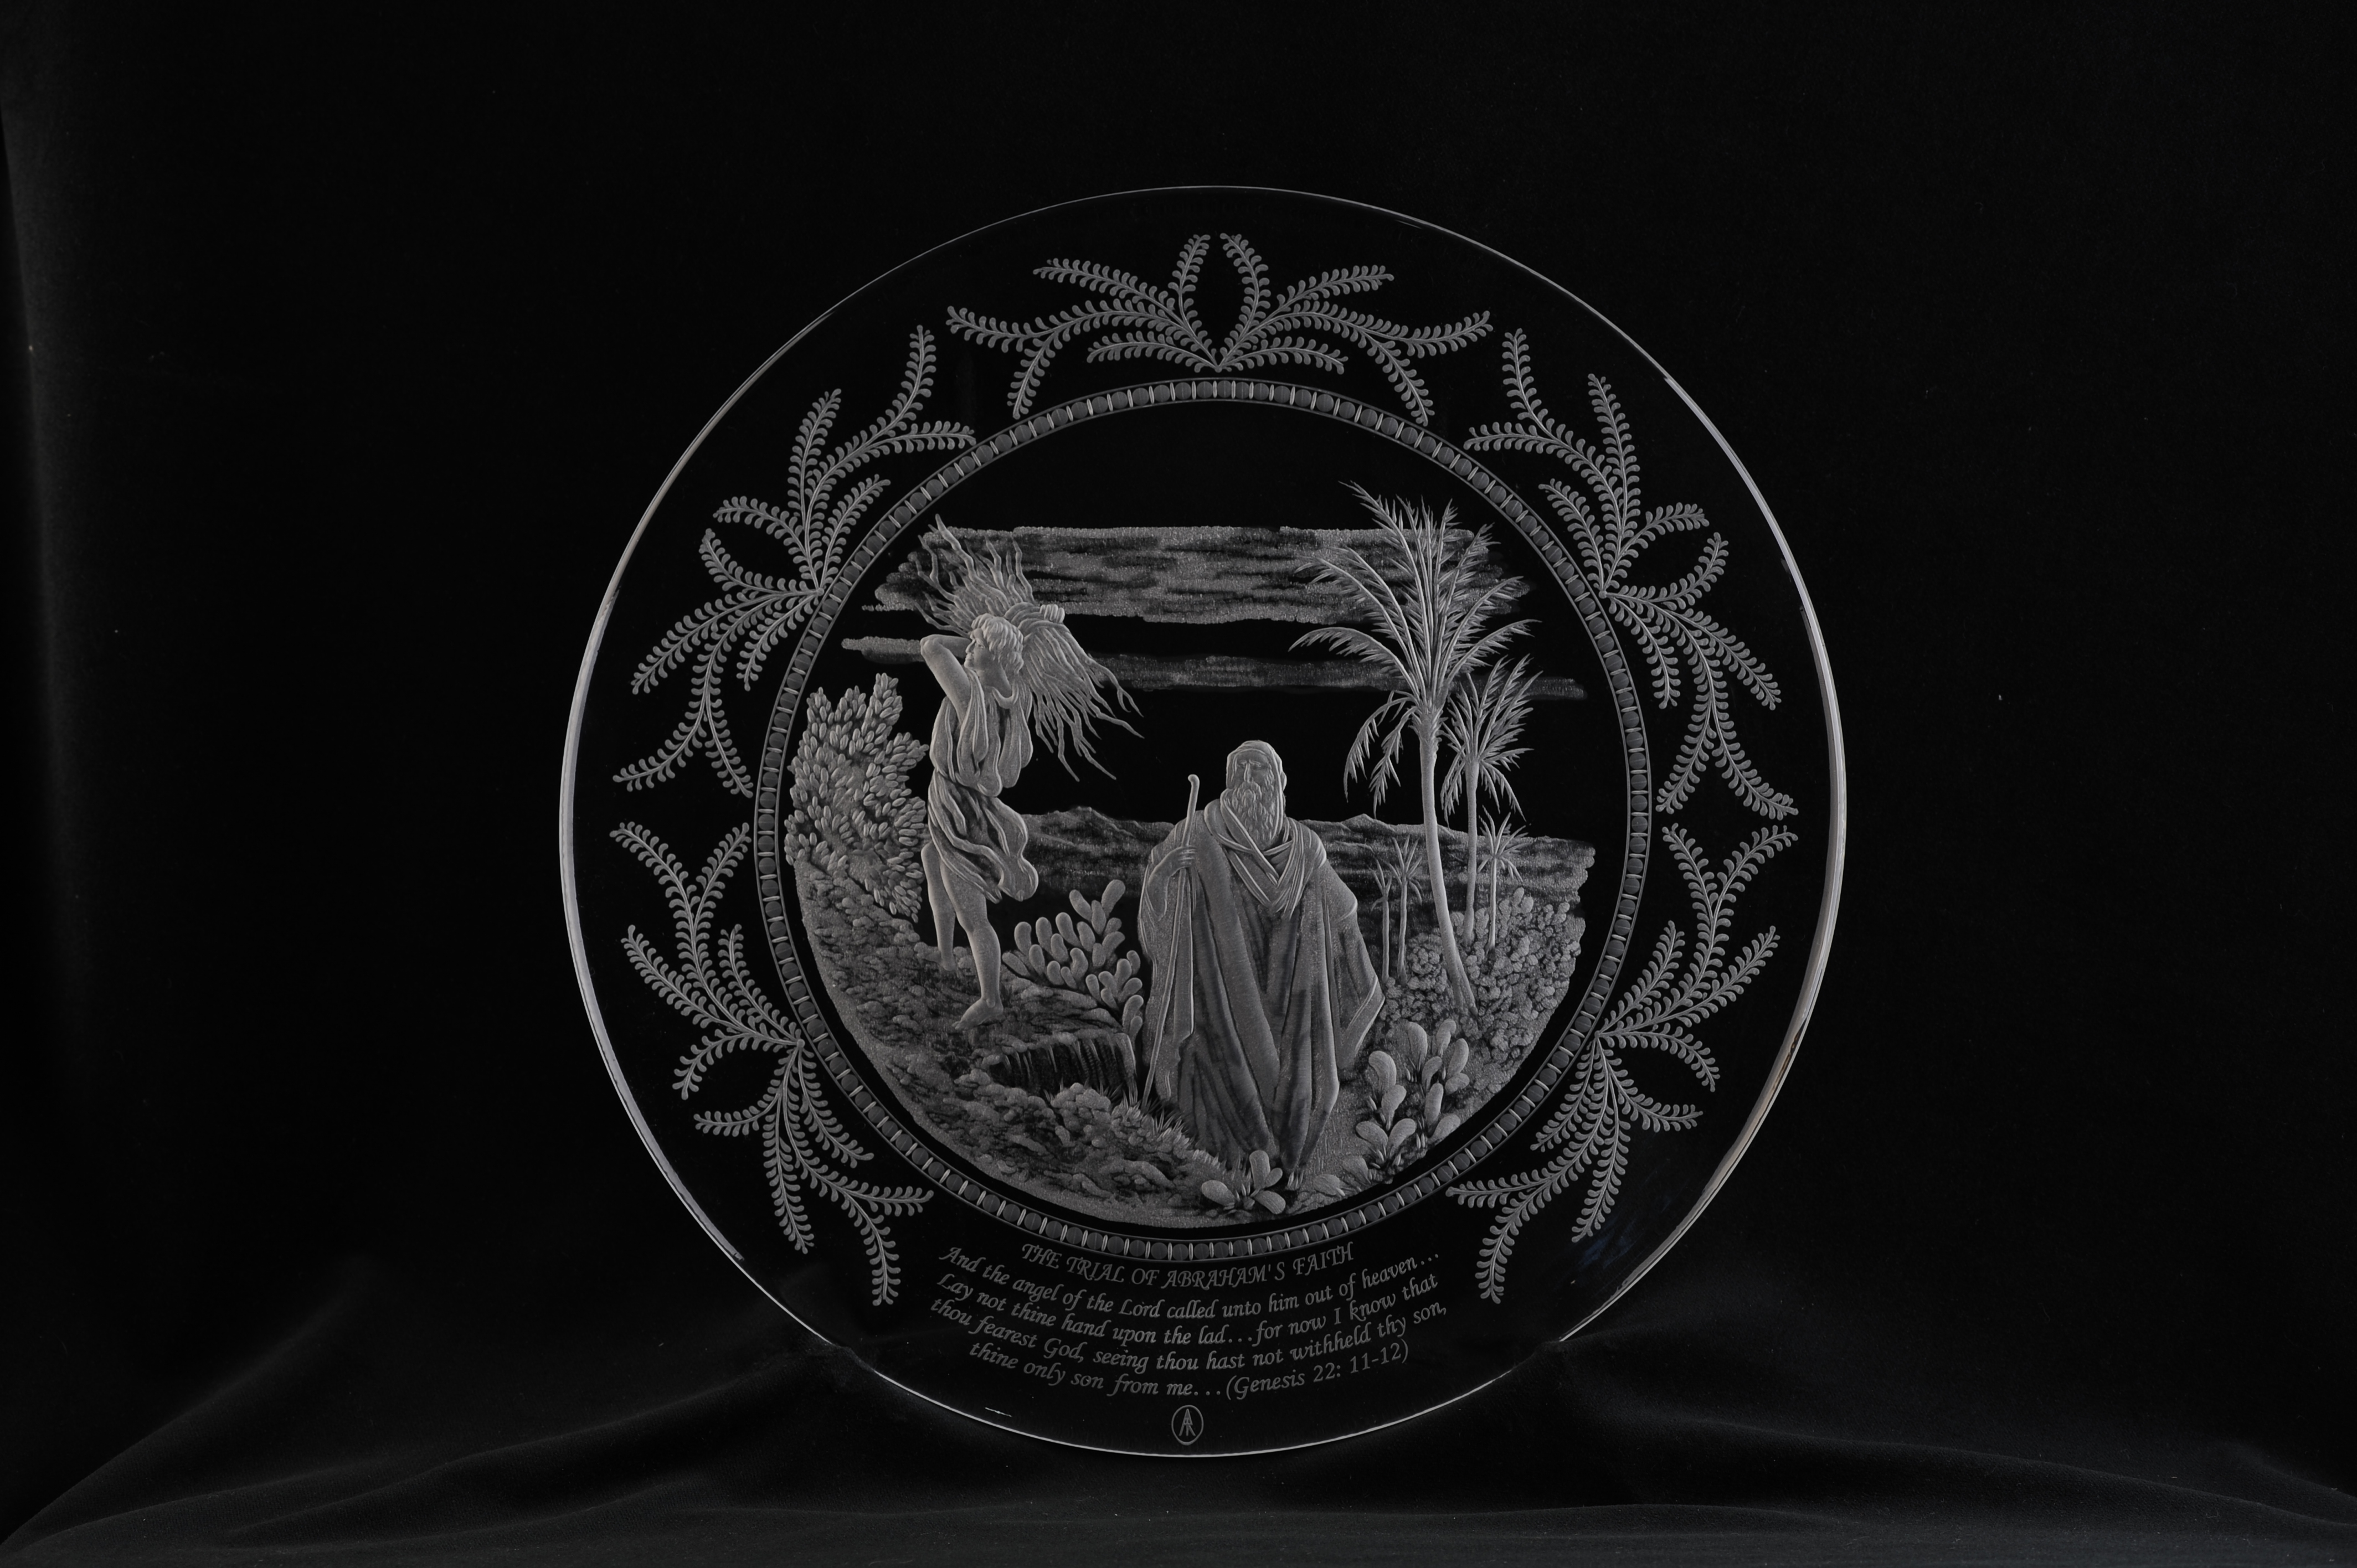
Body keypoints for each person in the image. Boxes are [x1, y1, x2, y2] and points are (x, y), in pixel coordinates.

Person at [1139, 741, 1383, 1178]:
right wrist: (1162, 877)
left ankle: (1285, 1173)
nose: (1249, 780)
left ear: (1280, 781)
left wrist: (1353, 956)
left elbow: (1344, 906)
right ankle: (1227, 1175)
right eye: (1240, 771)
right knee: (1213, 1089)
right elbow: (1157, 914)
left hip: (1294, 1007)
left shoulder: (1305, 849)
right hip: (1217, 1015)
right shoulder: (1196, 835)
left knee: (1308, 1091)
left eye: (1259, 769)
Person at [919, 617, 1038, 1030]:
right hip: (960, 803)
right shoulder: (1014, 698)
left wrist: (993, 641)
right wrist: (996, 645)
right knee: (932, 858)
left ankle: (991, 1000)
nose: (968, 649)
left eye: (977, 644)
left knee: (972, 913)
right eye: (969, 642)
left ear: (996, 656)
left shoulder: (971, 692)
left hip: (957, 807)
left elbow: (930, 646)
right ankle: (946, 959)